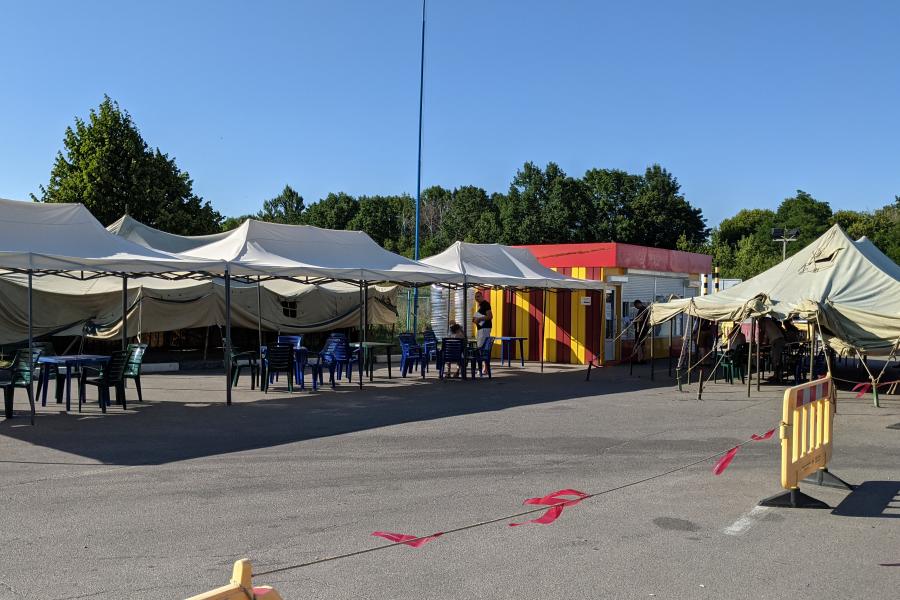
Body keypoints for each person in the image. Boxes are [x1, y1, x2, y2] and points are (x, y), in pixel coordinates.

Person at [760, 316, 786, 381]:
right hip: (780, 339)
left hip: (776, 341)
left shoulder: (763, 321)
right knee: (777, 359)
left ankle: (776, 376)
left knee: (775, 359)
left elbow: (762, 333)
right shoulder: (768, 320)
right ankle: (777, 375)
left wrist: (761, 343)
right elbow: (766, 334)